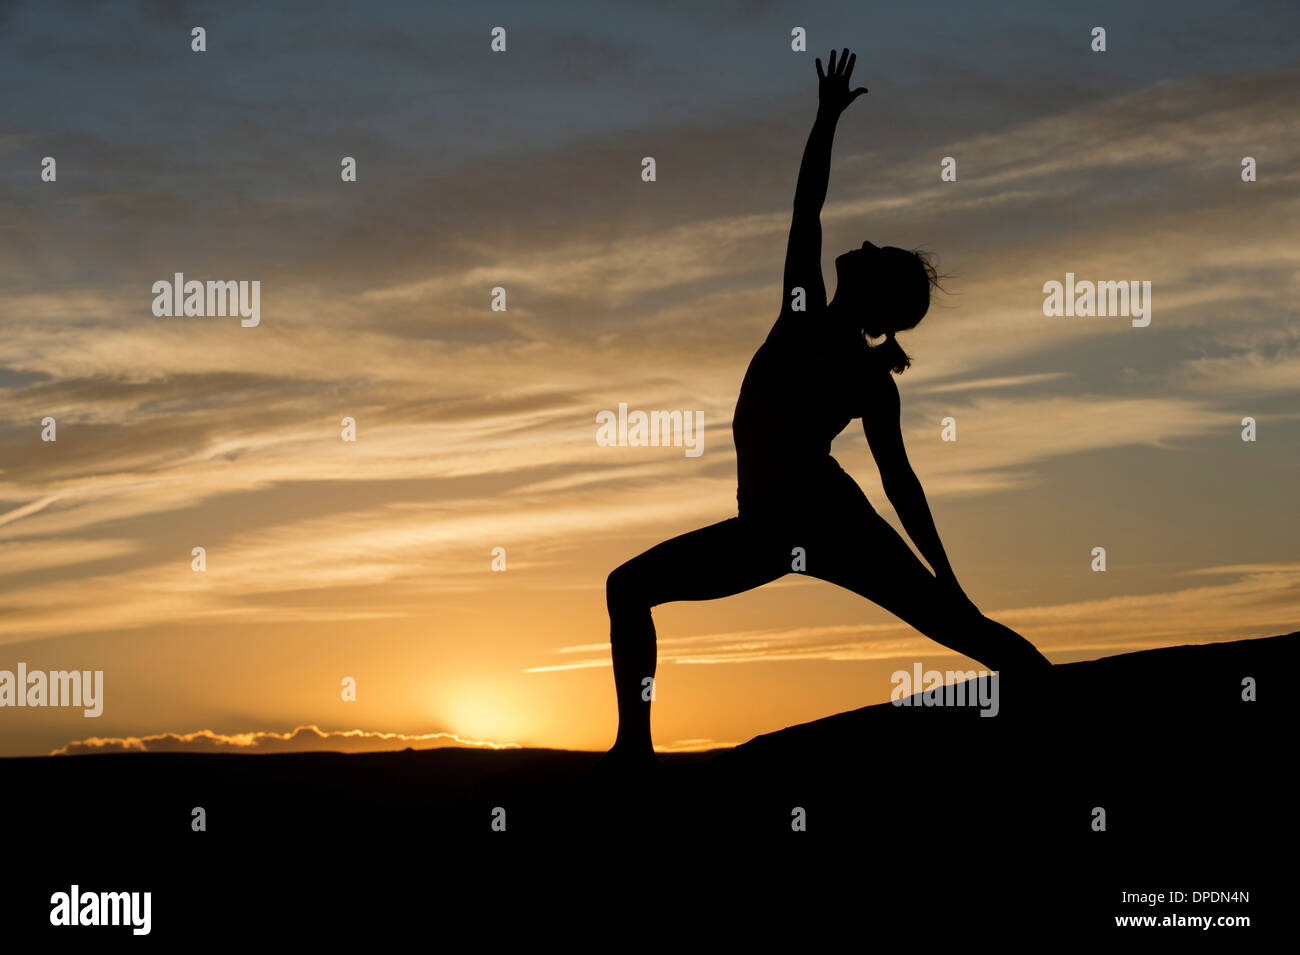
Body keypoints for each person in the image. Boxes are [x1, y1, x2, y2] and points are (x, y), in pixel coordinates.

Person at [603, 48, 1050, 768]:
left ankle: (1061, 702)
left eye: (874, 252)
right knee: (628, 589)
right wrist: (826, 118)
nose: (861, 242)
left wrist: (950, 581)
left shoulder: (817, 327)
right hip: (778, 526)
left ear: (873, 294)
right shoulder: (824, 331)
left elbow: (902, 483)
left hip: (818, 521)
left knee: (957, 625)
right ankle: (634, 750)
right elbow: (807, 209)